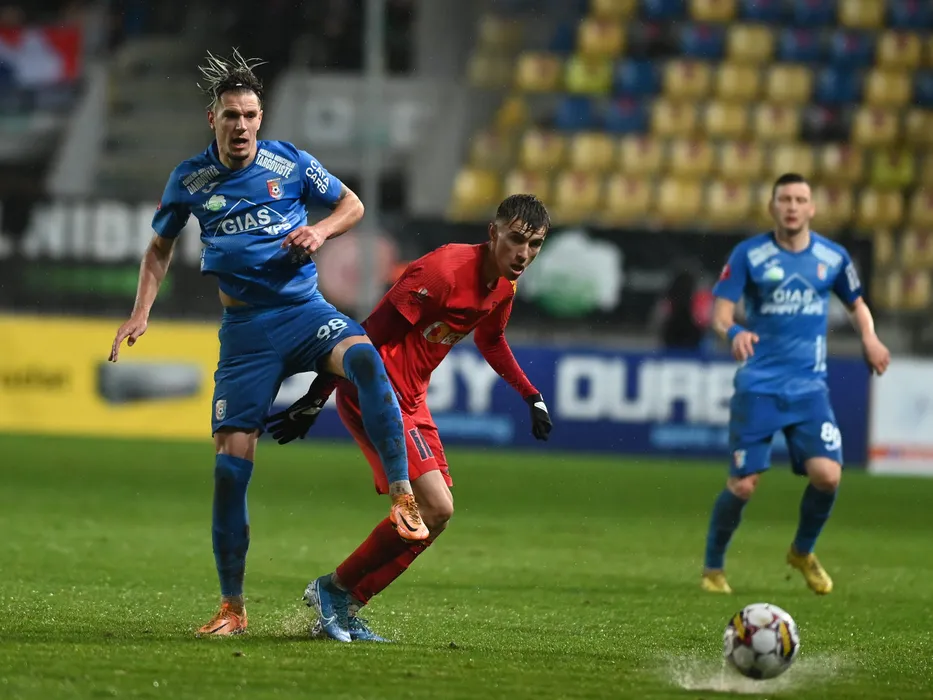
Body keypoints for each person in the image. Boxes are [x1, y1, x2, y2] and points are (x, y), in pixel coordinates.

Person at [107, 49, 429, 637]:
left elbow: (352, 204)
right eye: (231, 115)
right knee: (230, 471)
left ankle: (403, 497)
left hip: (304, 313)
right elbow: (159, 249)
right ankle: (232, 608)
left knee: (366, 361)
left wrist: (320, 230)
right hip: (247, 336)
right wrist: (140, 312)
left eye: (250, 115)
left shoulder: (290, 163)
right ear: (213, 119)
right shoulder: (190, 179)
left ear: (261, 118)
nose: (241, 125)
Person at [265, 194, 554, 642]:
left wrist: (531, 395)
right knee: (436, 507)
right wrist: (318, 395)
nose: (524, 253)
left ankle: (346, 605)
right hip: (376, 392)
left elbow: (491, 340)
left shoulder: (503, 286)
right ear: (493, 233)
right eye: (516, 239)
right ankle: (332, 589)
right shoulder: (442, 272)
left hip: (413, 399)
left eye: (534, 244)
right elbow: (367, 336)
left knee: (435, 517)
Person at [701, 173, 890, 596]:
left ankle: (802, 552)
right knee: (743, 485)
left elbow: (857, 304)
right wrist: (735, 332)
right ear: (772, 206)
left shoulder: (833, 257)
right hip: (759, 385)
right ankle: (713, 568)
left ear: (812, 208)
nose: (792, 206)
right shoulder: (749, 254)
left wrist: (870, 337)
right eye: (784, 199)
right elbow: (720, 315)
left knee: (828, 476)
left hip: (809, 388)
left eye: (800, 199)